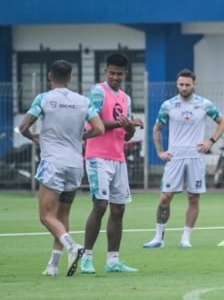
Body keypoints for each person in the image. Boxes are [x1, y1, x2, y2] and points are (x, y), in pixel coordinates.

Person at [18, 59, 105, 276]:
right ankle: (53, 265)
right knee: (62, 214)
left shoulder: (44, 99)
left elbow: (23, 126)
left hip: (53, 163)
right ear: (70, 77)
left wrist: (33, 137)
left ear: (49, 76)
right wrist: (80, 136)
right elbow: (100, 128)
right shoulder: (83, 101)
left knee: (46, 216)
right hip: (75, 164)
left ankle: (72, 247)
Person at [143, 69, 224, 248]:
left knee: (193, 198)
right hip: (175, 157)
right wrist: (160, 151)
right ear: (177, 84)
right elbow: (157, 128)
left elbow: (223, 123)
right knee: (165, 197)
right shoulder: (169, 105)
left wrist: (210, 141)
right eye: (181, 84)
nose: (183, 88)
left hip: (196, 157)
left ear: (194, 85)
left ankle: (186, 238)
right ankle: (158, 237)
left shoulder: (204, 104)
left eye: (187, 85)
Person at [80, 53, 144, 274]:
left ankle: (113, 261)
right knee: (100, 205)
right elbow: (94, 122)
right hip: (97, 155)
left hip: (118, 157)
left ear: (125, 74)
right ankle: (86, 258)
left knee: (118, 209)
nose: (115, 77)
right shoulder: (98, 91)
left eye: (119, 74)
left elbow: (126, 136)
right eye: (112, 73)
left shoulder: (126, 98)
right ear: (105, 71)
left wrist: (130, 128)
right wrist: (120, 123)